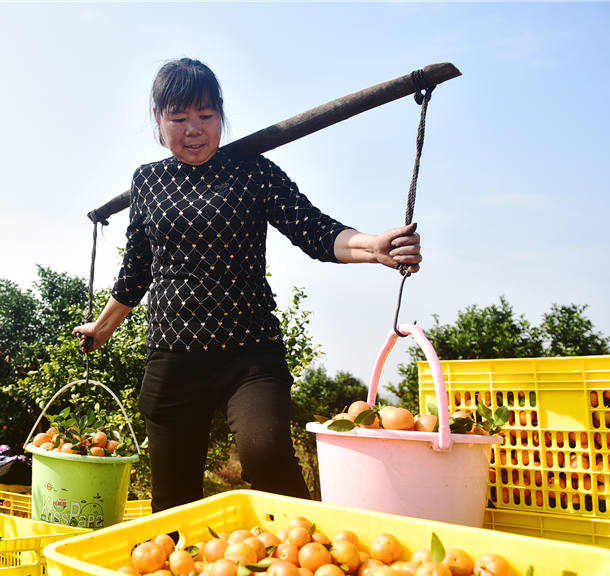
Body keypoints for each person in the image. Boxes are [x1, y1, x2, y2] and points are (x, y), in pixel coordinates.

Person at [73, 58, 421, 512]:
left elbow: (313, 229)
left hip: (248, 352)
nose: (193, 129)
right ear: (159, 121)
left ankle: (310, 563)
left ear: (221, 114)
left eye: (205, 116)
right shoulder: (148, 182)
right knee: (173, 500)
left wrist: (373, 245)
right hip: (173, 356)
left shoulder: (252, 172)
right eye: (179, 118)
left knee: (267, 454)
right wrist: (102, 328)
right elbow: (137, 269)